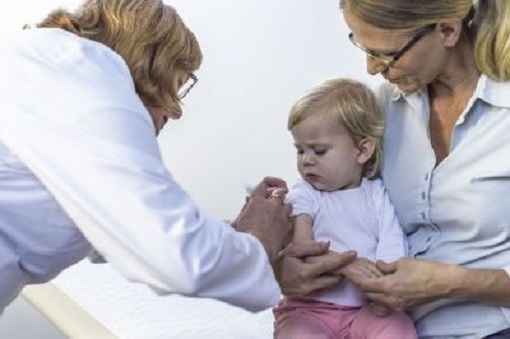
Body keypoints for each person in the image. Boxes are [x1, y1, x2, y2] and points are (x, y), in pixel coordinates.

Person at [0, 0, 296, 315]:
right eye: (178, 84)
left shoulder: (50, 69)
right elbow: (177, 258)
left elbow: (129, 226)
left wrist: (235, 233)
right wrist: (260, 242)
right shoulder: (91, 75)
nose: (173, 113)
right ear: (152, 61)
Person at [275, 0, 510, 338]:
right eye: (362, 47)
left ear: (447, 30)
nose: (371, 68)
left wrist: (453, 284)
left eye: (386, 54)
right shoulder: (382, 109)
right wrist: (286, 266)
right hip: (378, 321)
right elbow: (325, 198)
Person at [273, 78, 417, 338]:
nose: (306, 160)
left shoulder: (376, 194)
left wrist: (384, 285)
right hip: (309, 309)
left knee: (398, 329)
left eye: (319, 150)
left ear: (363, 150)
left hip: (367, 308)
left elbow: (391, 242)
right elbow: (301, 247)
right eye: (299, 150)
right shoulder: (305, 193)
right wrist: (345, 266)